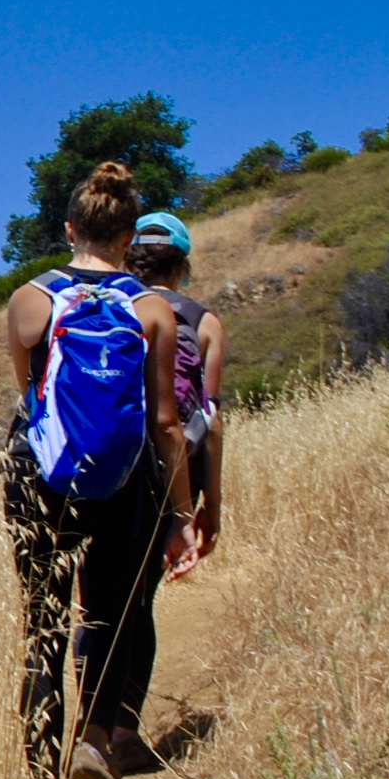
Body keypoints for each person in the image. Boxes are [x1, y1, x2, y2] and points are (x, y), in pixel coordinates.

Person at [1, 162, 197, 779]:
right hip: (122, 478)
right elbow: (165, 422)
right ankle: (93, 743)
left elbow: (31, 396)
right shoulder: (152, 310)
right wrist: (182, 513)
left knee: (44, 626)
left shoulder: (30, 300)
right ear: (127, 237)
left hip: (40, 476)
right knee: (108, 617)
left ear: (70, 229)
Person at [128, 210, 224, 586]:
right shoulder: (204, 323)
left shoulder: (112, 310)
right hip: (174, 471)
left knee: (105, 594)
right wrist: (211, 505)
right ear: (182, 266)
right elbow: (210, 420)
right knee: (142, 593)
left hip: (112, 458)